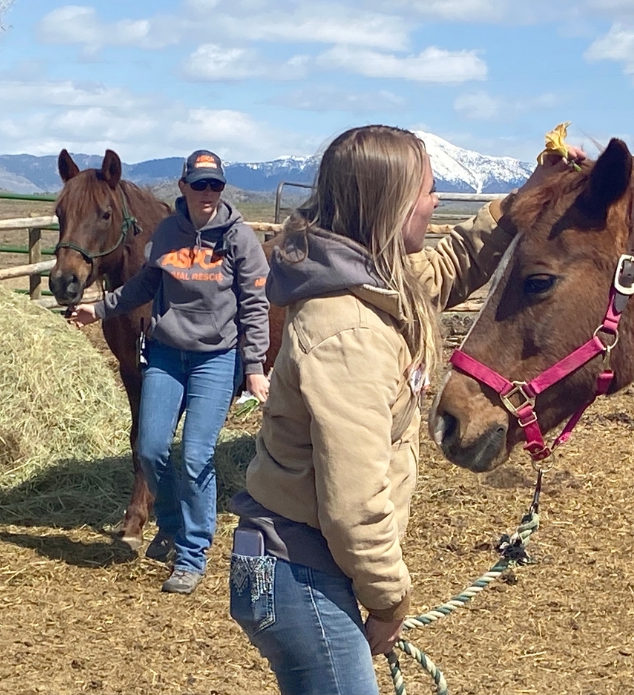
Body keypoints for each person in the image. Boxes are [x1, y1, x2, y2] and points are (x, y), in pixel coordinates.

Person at [227, 124, 584, 694]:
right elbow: (353, 503)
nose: (436, 201)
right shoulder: (349, 331)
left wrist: (522, 202)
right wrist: (390, 599)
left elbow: (448, 269)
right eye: (427, 190)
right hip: (303, 570)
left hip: (300, 564)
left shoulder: (369, 284)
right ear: (391, 204)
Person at [71, 149, 271, 595]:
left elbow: (256, 306)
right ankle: (172, 523)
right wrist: (99, 308)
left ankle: (192, 553)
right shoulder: (166, 233)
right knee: (150, 447)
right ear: (183, 187)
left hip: (215, 359)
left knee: (197, 454)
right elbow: (145, 284)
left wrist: (253, 366)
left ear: (222, 189)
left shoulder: (238, 238)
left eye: (214, 185)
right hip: (165, 354)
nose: (206, 193)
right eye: (198, 184)